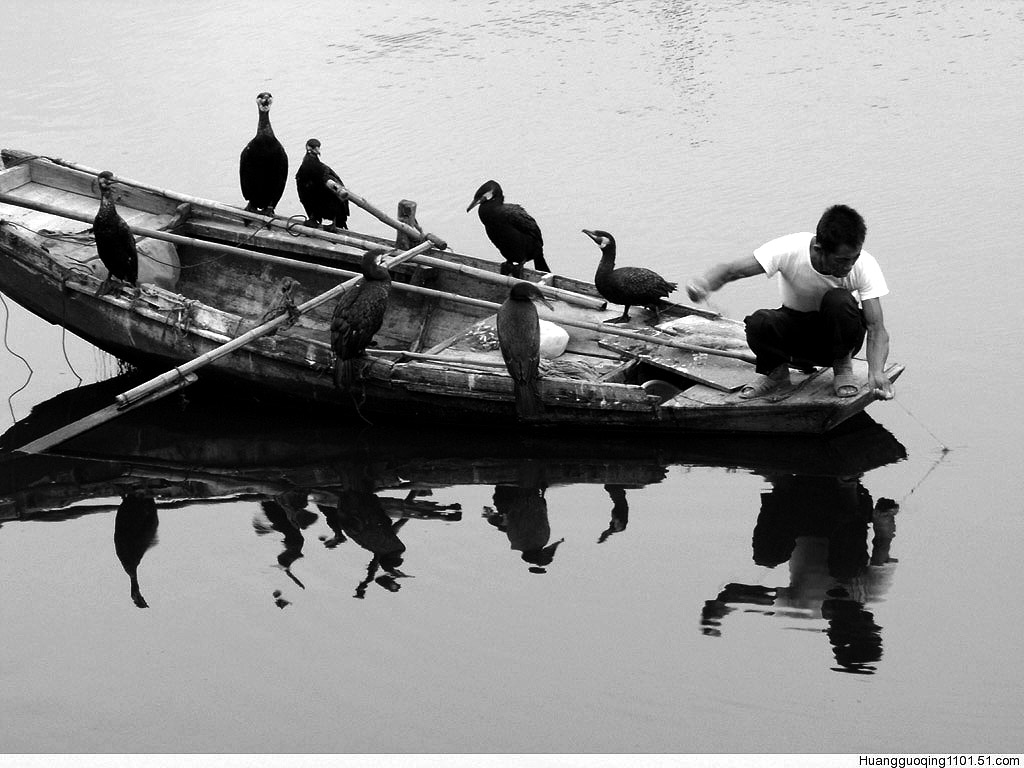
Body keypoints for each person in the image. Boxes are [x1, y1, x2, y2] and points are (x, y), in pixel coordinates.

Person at [686, 204, 894, 400]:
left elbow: (876, 328)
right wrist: (704, 284)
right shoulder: (790, 248)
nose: (849, 266)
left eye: (854, 258)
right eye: (841, 260)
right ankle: (777, 375)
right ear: (819, 249)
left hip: (839, 339)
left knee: (839, 300)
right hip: (796, 334)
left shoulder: (865, 265)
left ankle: (842, 366)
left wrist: (876, 372)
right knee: (759, 321)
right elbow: (733, 270)